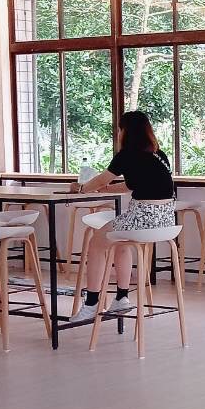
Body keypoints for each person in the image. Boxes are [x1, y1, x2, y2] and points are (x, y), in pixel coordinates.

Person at [71, 110, 176, 321]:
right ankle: (121, 298)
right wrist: (105, 190)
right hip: (166, 221)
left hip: (142, 217)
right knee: (121, 243)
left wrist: (81, 189)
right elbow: (132, 184)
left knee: (96, 242)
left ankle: (92, 303)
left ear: (125, 131)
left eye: (119, 130)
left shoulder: (127, 154)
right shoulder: (159, 155)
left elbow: (103, 178)